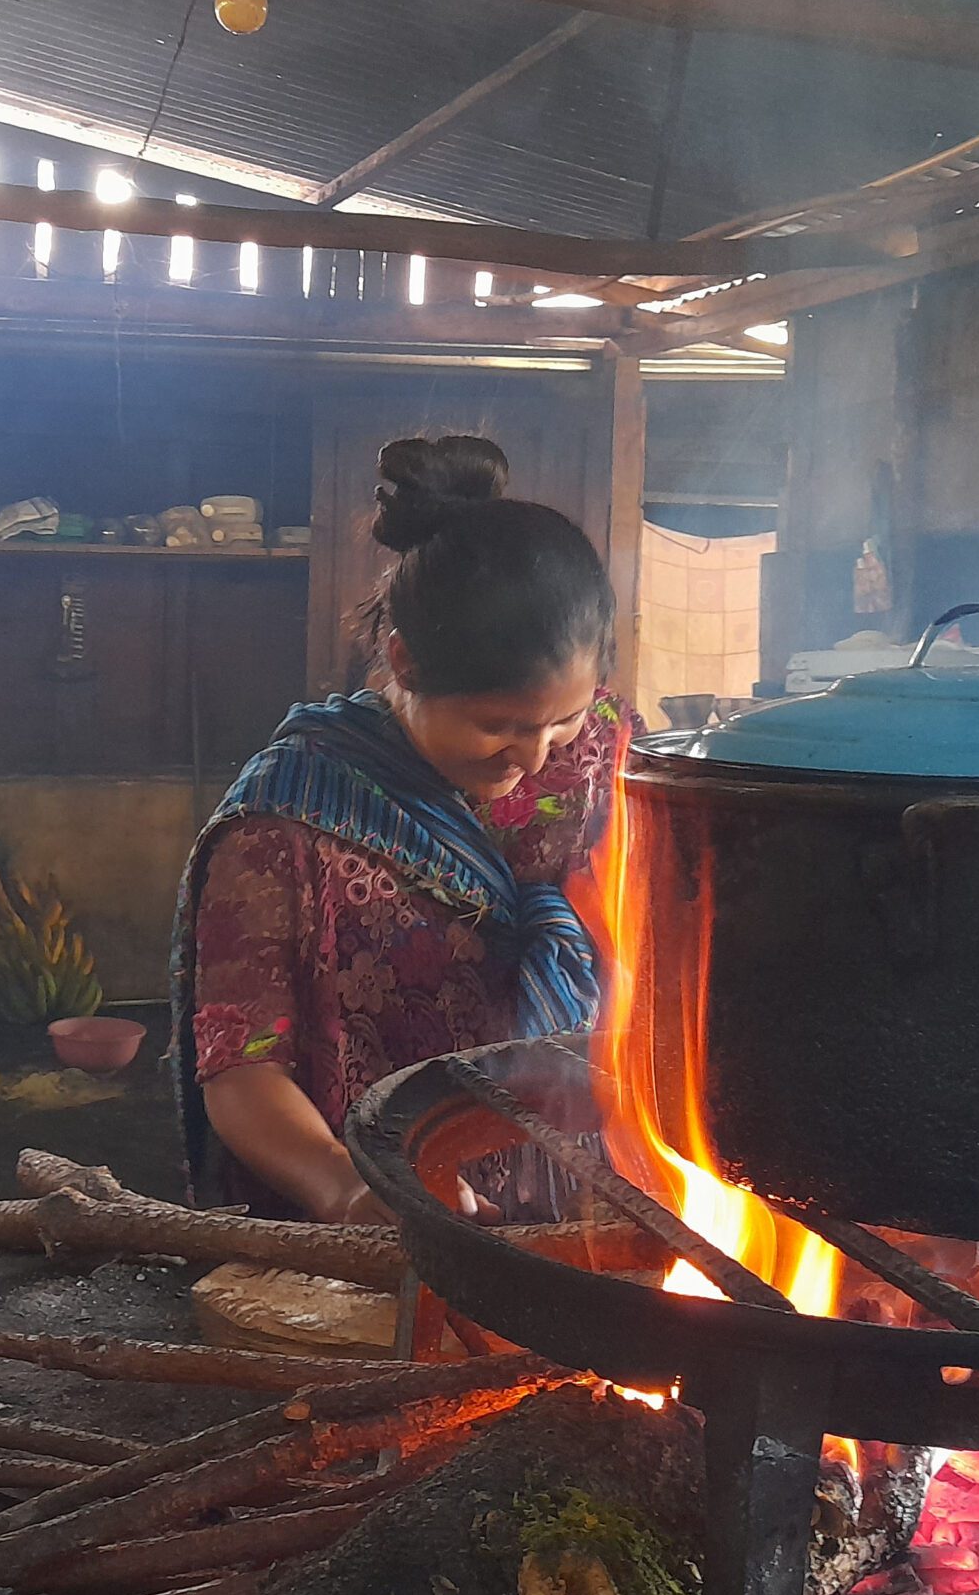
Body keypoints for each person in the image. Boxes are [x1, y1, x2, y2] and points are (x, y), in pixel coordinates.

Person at [174, 433, 635, 1227]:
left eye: (562, 721)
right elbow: (242, 1072)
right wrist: (351, 1189)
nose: (534, 756)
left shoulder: (604, 757)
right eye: (499, 725)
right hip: (385, 1231)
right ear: (405, 662)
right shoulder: (288, 825)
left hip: (593, 1217)